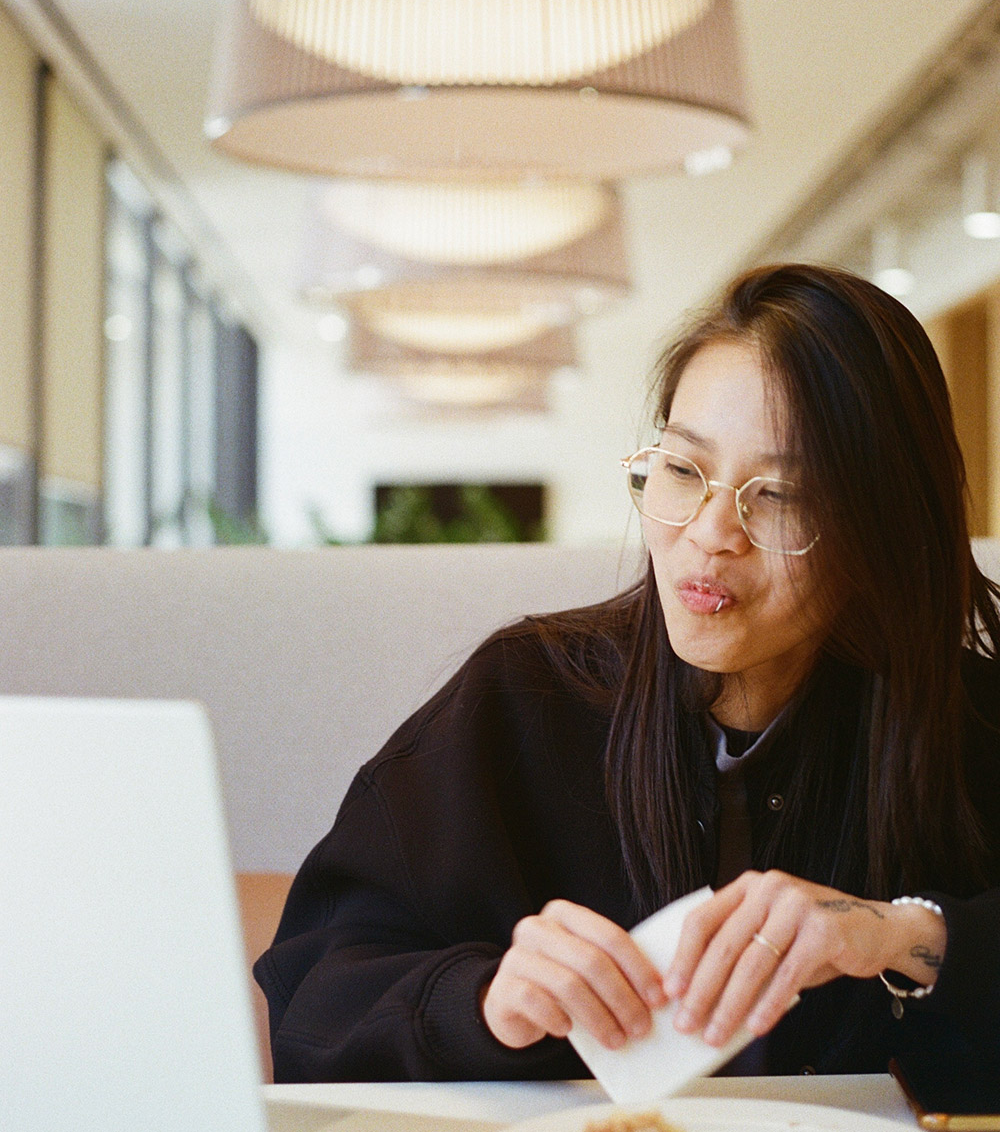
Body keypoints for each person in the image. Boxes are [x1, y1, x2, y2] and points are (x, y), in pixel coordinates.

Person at [255, 263, 1000, 1083]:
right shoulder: (526, 697)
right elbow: (313, 995)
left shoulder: (970, 724)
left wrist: (907, 938)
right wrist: (484, 1001)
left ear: (886, 524)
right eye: (682, 470)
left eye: (781, 493)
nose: (713, 532)